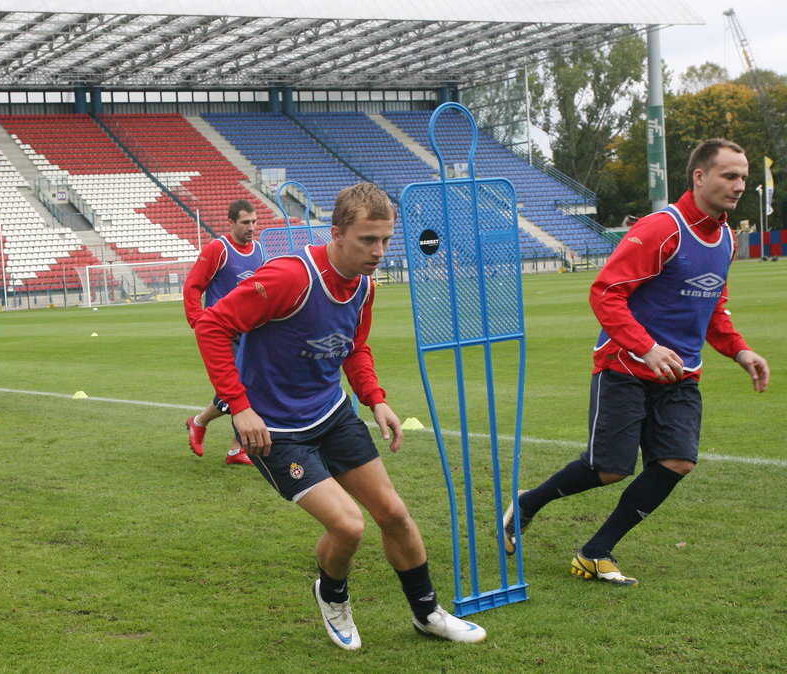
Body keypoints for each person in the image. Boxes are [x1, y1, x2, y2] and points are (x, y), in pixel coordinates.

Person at [194, 183, 486, 649]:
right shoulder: (291, 276)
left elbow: (354, 347)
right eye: (367, 240)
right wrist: (240, 406)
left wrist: (375, 399)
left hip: (332, 415)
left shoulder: (365, 286)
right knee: (349, 526)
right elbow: (212, 324)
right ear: (336, 234)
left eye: (387, 240)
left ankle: (427, 612)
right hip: (275, 431)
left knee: (393, 512)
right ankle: (332, 597)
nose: (379, 251)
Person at [503, 139, 770, 586]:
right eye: (730, 175)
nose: (739, 185)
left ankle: (595, 552)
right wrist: (646, 346)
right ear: (700, 177)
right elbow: (606, 292)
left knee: (677, 462)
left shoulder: (726, 238)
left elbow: (712, 306)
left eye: (743, 176)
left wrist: (740, 350)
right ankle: (528, 503)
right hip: (625, 366)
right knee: (607, 469)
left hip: (680, 373)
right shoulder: (660, 229)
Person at [183, 199, 261, 465]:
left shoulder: (259, 249)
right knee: (237, 387)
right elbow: (193, 286)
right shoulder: (219, 249)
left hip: (250, 330)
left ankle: (230, 444)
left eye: (254, 221)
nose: (251, 227)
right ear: (231, 223)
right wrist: (198, 321)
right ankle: (208, 428)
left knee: (253, 386)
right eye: (245, 223)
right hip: (223, 331)